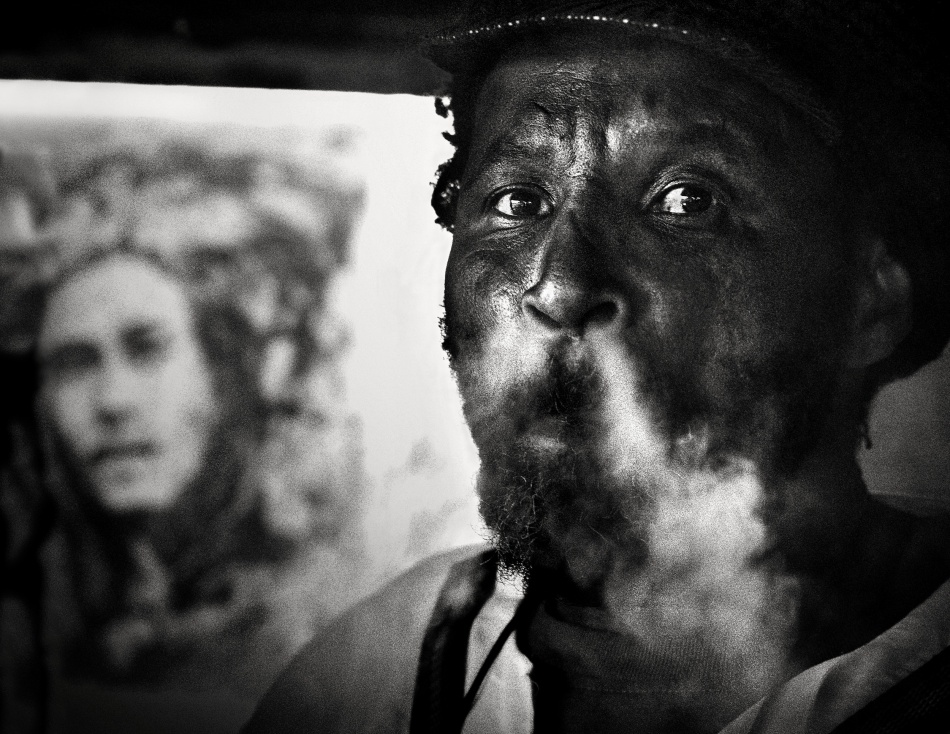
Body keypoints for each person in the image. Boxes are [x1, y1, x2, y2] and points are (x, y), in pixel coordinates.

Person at [245, 1, 950, 732]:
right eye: (518, 200)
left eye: (688, 201)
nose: (559, 286)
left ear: (872, 296)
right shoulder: (372, 680)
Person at [0, 144, 366, 731]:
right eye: (73, 363)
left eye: (147, 349)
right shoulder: (42, 615)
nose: (112, 402)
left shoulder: (335, 620)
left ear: (222, 377)